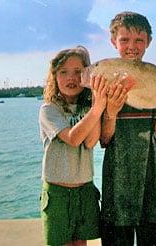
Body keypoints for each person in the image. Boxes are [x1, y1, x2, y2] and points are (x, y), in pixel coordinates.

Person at [100, 12, 156, 245]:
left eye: (139, 40)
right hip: (117, 182)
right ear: (113, 42)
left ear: (148, 42)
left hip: (152, 178)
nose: (131, 46)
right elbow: (104, 139)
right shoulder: (104, 80)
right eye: (124, 40)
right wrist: (111, 111)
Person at [39, 46, 107, 246]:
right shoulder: (49, 110)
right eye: (63, 72)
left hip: (84, 190)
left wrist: (96, 99)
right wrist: (97, 109)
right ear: (54, 77)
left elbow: (90, 141)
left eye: (78, 72)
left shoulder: (90, 108)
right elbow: (73, 138)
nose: (71, 78)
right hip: (57, 192)